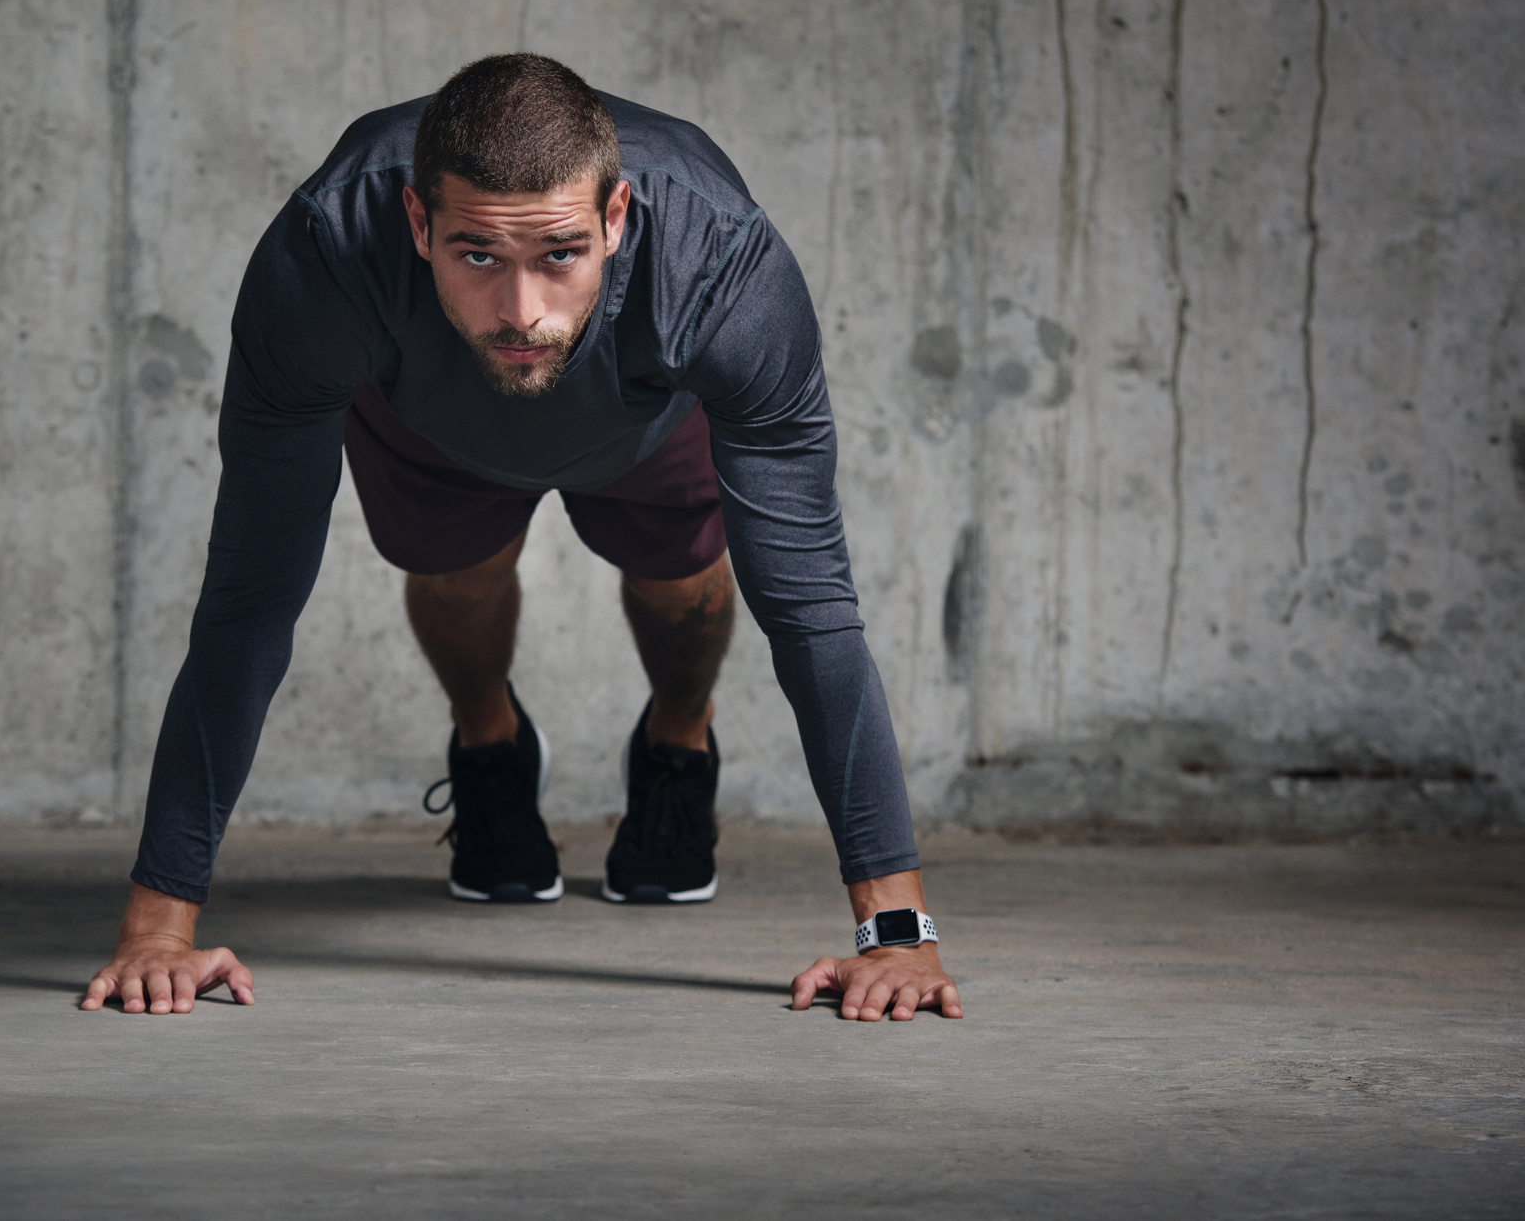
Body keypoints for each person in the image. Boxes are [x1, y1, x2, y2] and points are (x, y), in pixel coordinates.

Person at [82, 53, 962, 1024]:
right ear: (418, 222)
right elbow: (252, 592)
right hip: (428, 415)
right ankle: (491, 744)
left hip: (647, 417)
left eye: (559, 253)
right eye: (477, 256)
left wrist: (897, 932)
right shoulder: (325, 257)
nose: (522, 313)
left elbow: (813, 607)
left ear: (616, 218)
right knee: (457, 579)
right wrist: (158, 930)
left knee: (685, 587)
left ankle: (676, 742)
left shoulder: (721, 269)